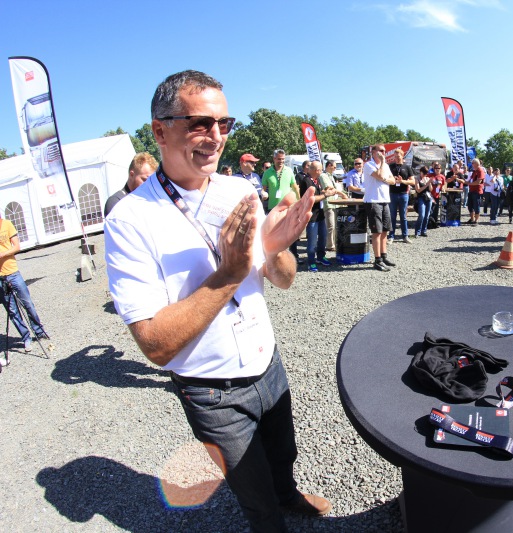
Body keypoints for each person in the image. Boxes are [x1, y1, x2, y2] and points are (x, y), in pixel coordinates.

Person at [103, 70, 330, 531]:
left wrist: (277, 249)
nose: (216, 136)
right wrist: (228, 274)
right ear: (160, 130)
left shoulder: (240, 191)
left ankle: (289, 495)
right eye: (200, 123)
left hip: (267, 362)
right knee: (254, 494)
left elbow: (284, 280)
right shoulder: (129, 221)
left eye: (224, 123)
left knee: (283, 454)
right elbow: (155, 345)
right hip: (211, 389)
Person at [0, 215, 49, 361]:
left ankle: (39, 331)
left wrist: (2, 254)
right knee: (12, 311)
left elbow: (17, 247)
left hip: (13, 273)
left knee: (27, 303)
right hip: (0, 278)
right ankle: (26, 337)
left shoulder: (7, 224)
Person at [263, 149, 303, 264]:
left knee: (291, 232)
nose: (281, 161)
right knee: (274, 233)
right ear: (274, 159)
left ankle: (294, 256)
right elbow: (263, 189)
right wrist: (263, 194)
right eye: (279, 159)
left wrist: (299, 201)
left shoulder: (289, 171)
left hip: (288, 207)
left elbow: (295, 187)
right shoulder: (267, 172)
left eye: (283, 159)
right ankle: (273, 257)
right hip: (273, 208)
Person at [298, 161, 337, 272]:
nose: (321, 172)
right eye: (320, 170)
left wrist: (327, 191)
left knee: (323, 238)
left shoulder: (316, 180)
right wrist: (325, 195)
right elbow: (311, 199)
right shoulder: (306, 181)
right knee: (312, 241)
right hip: (311, 216)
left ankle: (321, 257)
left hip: (320, 214)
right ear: (316, 170)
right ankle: (311, 261)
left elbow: (319, 193)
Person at [363, 144, 397, 271]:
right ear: (373, 152)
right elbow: (380, 176)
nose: (384, 153)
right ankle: (377, 260)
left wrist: (385, 178)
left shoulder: (386, 166)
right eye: (381, 150)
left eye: (384, 151)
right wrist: (382, 164)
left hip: (384, 200)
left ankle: (383, 256)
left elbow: (393, 181)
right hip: (373, 201)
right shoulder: (368, 165)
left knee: (385, 230)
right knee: (376, 231)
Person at [319, 160, 347, 252]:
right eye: (334, 167)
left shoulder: (331, 176)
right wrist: (342, 194)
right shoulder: (323, 176)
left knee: (335, 225)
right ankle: (329, 245)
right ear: (329, 166)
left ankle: (334, 243)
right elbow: (329, 188)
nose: (335, 169)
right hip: (329, 203)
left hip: (335, 203)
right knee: (330, 225)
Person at [388, 148, 413, 243]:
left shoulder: (407, 167)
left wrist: (402, 181)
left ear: (402, 156)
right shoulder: (390, 166)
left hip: (403, 194)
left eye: (398, 156)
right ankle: (391, 236)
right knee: (392, 216)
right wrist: (392, 179)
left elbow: (413, 181)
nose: (396, 158)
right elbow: (385, 178)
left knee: (403, 216)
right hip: (392, 194)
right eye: (395, 156)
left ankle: (405, 236)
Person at [414, 166, 433, 237]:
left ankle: (424, 230)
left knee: (427, 216)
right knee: (421, 215)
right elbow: (418, 190)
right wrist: (426, 184)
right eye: (423, 173)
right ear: (420, 172)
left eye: (426, 173)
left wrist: (430, 183)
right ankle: (417, 231)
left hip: (428, 198)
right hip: (421, 197)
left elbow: (431, 189)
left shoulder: (427, 178)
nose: (425, 175)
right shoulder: (417, 179)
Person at [466, 158, 485, 225]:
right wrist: (465, 182)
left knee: (476, 206)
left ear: (477, 164)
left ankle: (476, 220)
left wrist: (469, 183)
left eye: (473, 163)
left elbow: (478, 182)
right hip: (471, 190)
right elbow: (470, 180)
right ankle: (472, 219)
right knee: (470, 206)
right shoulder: (474, 171)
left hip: (477, 191)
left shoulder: (480, 171)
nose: (472, 164)